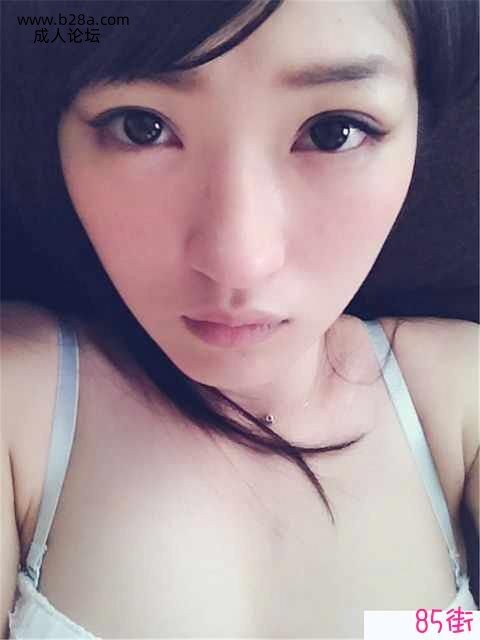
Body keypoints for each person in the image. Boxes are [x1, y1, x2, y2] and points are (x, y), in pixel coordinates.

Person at [1, 0, 478, 638]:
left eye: (334, 131)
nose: (238, 262)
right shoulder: (16, 404)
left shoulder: (459, 397)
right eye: (142, 127)